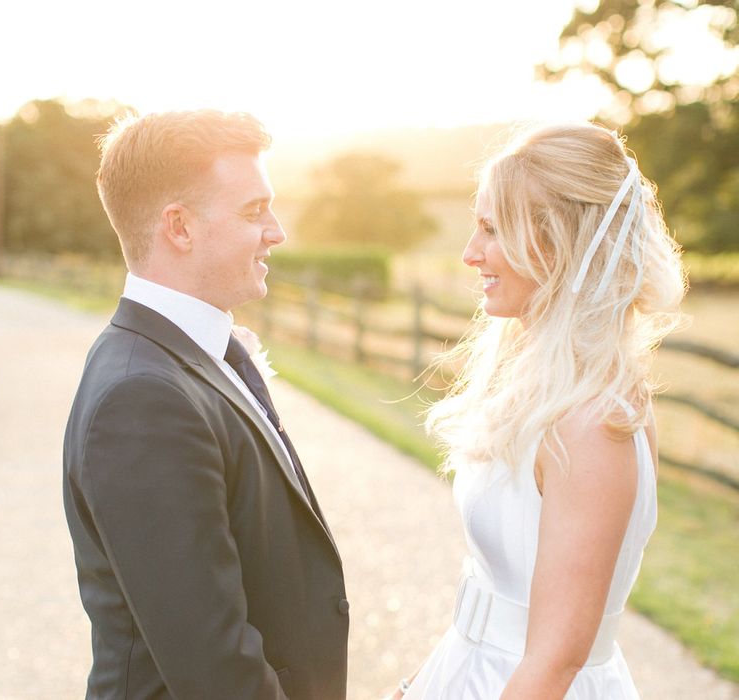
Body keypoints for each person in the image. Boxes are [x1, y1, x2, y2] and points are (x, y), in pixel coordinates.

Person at [389, 122, 686, 699]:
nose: (470, 253)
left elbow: (554, 663)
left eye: (491, 229)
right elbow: (484, 600)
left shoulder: (592, 423)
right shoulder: (538, 389)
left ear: (556, 245)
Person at [63, 110, 349, 700]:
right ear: (180, 227)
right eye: (254, 211)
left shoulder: (190, 356)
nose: (277, 231)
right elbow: (214, 669)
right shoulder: (140, 399)